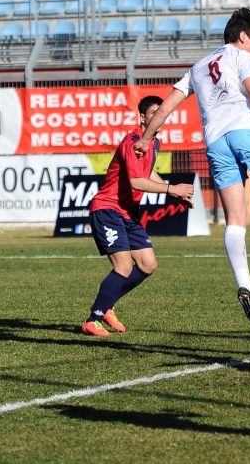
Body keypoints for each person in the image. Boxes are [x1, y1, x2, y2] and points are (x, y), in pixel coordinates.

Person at [133, 8, 250, 327]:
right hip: (246, 131)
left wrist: (146, 138)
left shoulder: (197, 67)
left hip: (215, 143)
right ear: (243, 36)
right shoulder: (241, 57)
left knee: (235, 220)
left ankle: (245, 283)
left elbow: (165, 108)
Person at [82, 95, 195, 337]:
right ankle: (93, 320)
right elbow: (136, 181)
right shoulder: (133, 142)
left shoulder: (154, 143)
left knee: (147, 264)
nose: (159, 117)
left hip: (128, 213)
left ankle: (105, 305)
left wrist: (174, 194)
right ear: (141, 117)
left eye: (162, 113)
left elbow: (148, 172)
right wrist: (171, 189)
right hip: (108, 209)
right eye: (154, 113)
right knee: (123, 266)